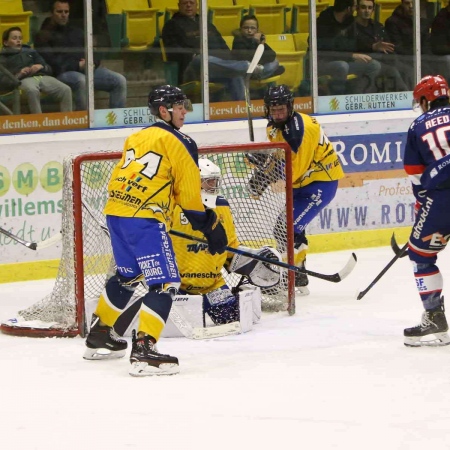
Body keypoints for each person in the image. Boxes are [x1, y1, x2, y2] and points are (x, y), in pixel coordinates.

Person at [83, 85, 228, 377]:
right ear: (164, 110)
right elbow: (188, 194)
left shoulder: (136, 136)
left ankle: (100, 334)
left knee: (128, 275)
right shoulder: (181, 140)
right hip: (144, 217)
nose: (185, 110)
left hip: (116, 212)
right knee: (165, 284)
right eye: (180, 105)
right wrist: (209, 224)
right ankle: (144, 350)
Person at [113, 158, 282, 332]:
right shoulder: (168, 206)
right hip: (176, 286)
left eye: (215, 182)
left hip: (212, 285)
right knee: (179, 327)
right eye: (209, 182)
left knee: (233, 319)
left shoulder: (221, 206)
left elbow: (229, 247)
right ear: (194, 183)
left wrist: (251, 259)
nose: (213, 188)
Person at [247, 85, 345, 295]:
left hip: (320, 183)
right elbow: (279, 158)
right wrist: (262, 172)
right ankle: (298, 277)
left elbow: (293, 172)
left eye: (281, 109)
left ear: (290, 106)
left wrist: (264, 175)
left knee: (285, 228)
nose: (278, 113)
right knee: (291, 229)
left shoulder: (303, 130)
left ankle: (289, 278)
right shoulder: (273, 127)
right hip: (302, 185)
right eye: (273, 110)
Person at [402, 75, 450, 347]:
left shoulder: (417, 125)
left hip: (442, 197)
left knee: (420, 255)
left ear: (424, 99)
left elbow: (415, 174)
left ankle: (434, 319)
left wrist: (423, 208)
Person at [34, 0, 127, 110]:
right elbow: (53, 63)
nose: (63, 15)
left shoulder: (77, 31)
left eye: (66, 11)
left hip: (86, 69)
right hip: (61, 74)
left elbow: (93, 52)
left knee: (119, 80)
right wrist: (77, 65)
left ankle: (115, 121)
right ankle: (83, 119)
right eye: (59, 11)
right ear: (51, 13)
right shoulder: (43, 35)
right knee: (81, 80)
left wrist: (93, 62)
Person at [162, 0, 258, 101]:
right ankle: (246, 66)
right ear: (179, 6)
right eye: (185, 3)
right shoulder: (171, 25)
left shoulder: (206, 24)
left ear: (197, 5)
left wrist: (221, 58)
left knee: (234, 73)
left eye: (191, 2)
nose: (188, 5)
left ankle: (242, 109)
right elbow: (173, 52)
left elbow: (223, 46)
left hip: (214, 69)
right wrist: (194, 55)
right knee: (201, 58)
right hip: (192, 70)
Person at [314, 0, 382, 95]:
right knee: (341, 66)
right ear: (349, 9)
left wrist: (372, 46)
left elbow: (355, 42)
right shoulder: (323, 22)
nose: (356, 9)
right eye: (355, 6)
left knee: (373, 65)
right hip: (321, 63)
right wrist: (351, 55)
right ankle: (338, 99)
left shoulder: (349, 21)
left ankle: (358, 95)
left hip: (346, 59)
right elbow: (325, 49)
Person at [0, 26, 72, 114]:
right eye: (14, 38)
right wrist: (19, 74)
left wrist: (41, 66)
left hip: (42, 76)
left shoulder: (30, 51)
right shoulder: (3, 58)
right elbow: (2, 81)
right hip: (23, 80)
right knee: (32, 91)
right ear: (6, 42)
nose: (18, 41)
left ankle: (67, 120)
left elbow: (49, 69)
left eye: (20, 38)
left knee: (65, 89)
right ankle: (38, 121)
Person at [343, 0, 410, 91]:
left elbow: (388, 45)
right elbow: (348, 46)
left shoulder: (377, 26)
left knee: (406, 69)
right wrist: (373, 46)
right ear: (357, 9)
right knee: (392, 71)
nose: (367, 10)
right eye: (363, 7)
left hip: (382, 59)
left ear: (373, 10)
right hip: (359, 61)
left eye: (370, 8)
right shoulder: (349, 26)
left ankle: (411, 96)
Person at [385, 0, 436, 82]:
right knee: (411, 73)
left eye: (413, 3)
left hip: (421, 60)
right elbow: (397, 47)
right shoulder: (392, 22)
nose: (411, 6)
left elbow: (426, 46)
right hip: (402, 60)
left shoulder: (423, 22)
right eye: (407, 3)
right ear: (402, 4)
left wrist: (427, 60)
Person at [231, 14, 285, 80]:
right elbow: (248, 59)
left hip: (258, 68)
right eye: (246, 28)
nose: (249, 31)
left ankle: (262, 74)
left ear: (257, 30)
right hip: (245, 72)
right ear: (241, 29)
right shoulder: (238, 40)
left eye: (253, 28)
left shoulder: (257, 40)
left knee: (275, 61)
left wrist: (261, 43)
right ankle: (265, 74)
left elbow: (272, 54)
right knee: (275, 64)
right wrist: (254, 42)